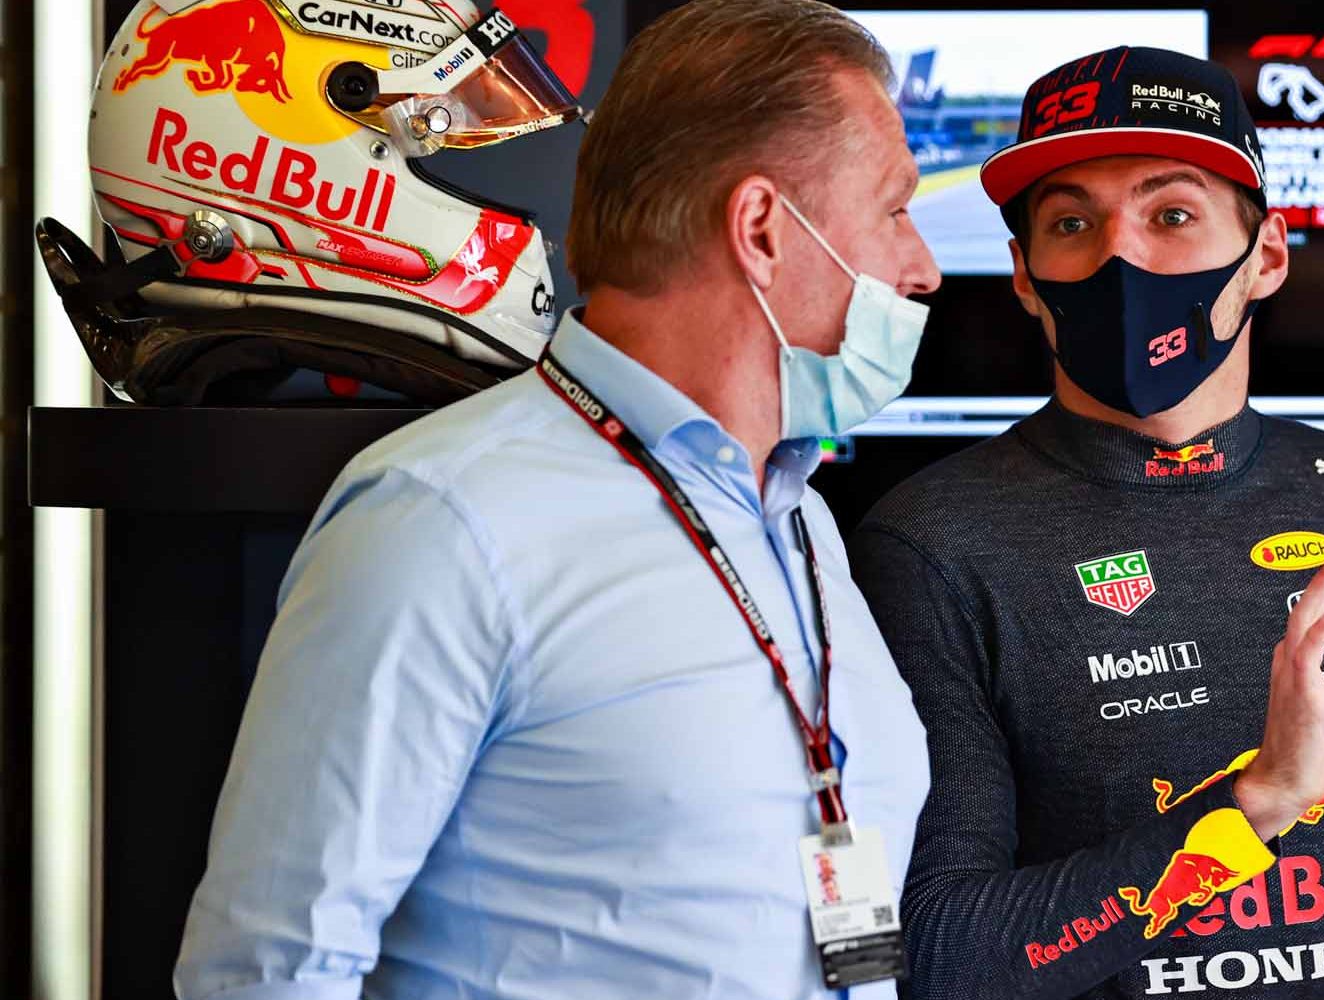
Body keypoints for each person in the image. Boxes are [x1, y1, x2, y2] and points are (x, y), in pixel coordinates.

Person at [173, 1, 940, 997]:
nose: (921, 265)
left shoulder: (796, 515)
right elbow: (268, 973)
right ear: (761, 229)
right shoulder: (436, 519)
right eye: (893, 209)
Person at [848, 47, 1324, 1000]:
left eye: (1172, 214)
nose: (1121, 256)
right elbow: (943, 949)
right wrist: (1251, 807)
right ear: (1026, 277)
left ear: (1268, 256)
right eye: (1073, 222)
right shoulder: (935, 544)